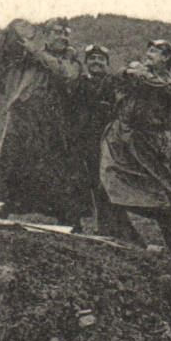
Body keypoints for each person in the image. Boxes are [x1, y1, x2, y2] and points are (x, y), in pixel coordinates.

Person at [98, 39, 171, 252]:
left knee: (160, 197)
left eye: (155, 51)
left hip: (148, 144)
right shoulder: (135, 73)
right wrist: (130, 73)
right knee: (108, 183)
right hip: (119, 137)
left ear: (166, 58)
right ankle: (118, 238)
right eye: (148, 50)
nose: (149, 54)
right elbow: (117, 79)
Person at [0, 18, 84, 225]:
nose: (63, 37)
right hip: (24, 115)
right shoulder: (26, 58)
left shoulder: (71, 60)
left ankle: (67, 218)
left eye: (66, 33)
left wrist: (37, 52)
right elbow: (3, 70)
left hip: (55, 121)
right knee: (12, 161)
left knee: (56, 167)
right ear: (46, 35)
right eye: (57, 32)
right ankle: (0, 207)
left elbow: (66, 74)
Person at [71, 44, 119, 234]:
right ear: (86, 62)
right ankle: (75, 223)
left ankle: (105, 227)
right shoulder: (79, 82)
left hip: (104, 141)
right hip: (80, 139)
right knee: (76, 180)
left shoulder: (112, 84)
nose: (96, 62)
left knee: (102, 183)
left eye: (101, 59)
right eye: (92, 59)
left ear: (107, 63)